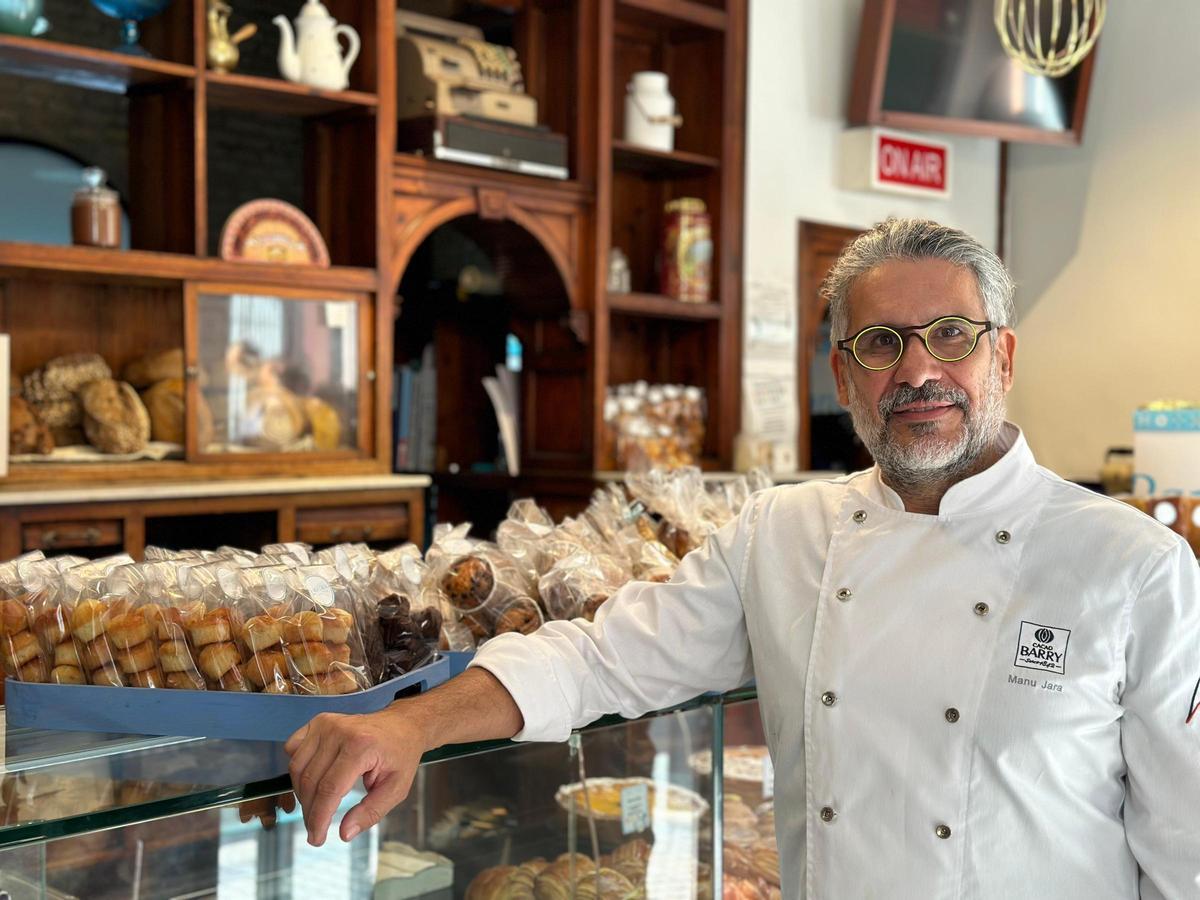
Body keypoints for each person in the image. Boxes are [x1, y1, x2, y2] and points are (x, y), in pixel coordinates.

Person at [285, 218, 1200, 899]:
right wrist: (411, 723)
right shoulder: (782, 534)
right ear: (844, 379)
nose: (917, 370)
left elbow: (1184, 846)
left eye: (951, 335)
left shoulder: (1134, 565)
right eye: (879, 344)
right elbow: (600, 658)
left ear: (1002, 355)